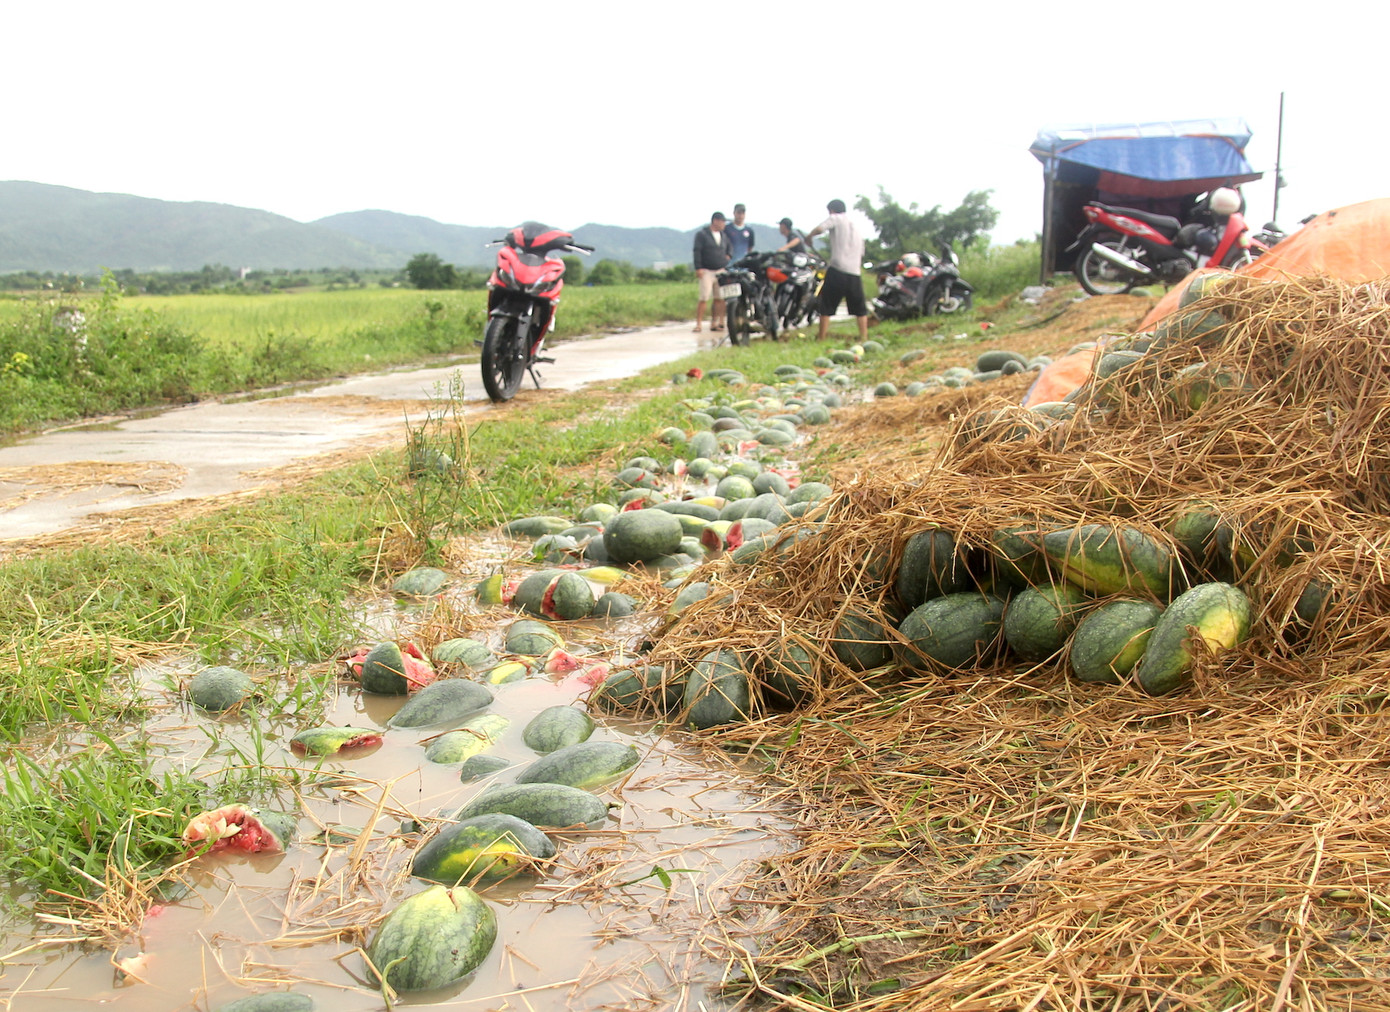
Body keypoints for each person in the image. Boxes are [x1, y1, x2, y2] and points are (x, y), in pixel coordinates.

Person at [803, 199, 869, 342]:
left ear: (831, 210)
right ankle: (864, 336)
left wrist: (809, 237)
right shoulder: (855, 226)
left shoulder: (836, 218)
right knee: (860, 308)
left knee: (826, 305)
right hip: (854, 272)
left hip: (838, 269)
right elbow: (862, 252)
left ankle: (821, 337)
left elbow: (820, 228)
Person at [692, 211, 731, 333]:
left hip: (720, 269)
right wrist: (698, 267)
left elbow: (730, 247)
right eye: (722, 221)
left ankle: (715, 322)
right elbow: (697, 251)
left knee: (719, 298)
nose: (724, 224)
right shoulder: (702, 234)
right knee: (704, 297)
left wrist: (728, 256)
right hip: (706, 270)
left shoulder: (723, 235)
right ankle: (698, 323)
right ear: (715, 221)